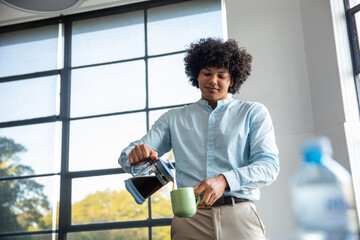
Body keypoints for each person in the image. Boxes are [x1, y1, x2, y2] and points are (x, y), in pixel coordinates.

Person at [119, 37, 280, 240]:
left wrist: (225, 180)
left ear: (232, 80)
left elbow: (269, 166)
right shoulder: (173, 118)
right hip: (190, 220)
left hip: (239, 216)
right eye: (207, 73)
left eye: (221, 75)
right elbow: (127, 157)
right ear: (197, 75)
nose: (213, 80)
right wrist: (136, 154)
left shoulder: (253, 112)